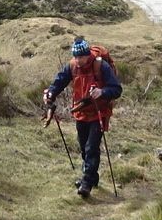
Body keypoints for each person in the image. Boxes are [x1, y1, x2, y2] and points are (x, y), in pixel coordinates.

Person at [43, 36, 122, 198]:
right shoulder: (72, 66)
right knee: (83, 147)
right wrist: (51, 93)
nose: (78, 60)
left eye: (81, 57)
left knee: (91, 147)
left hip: (99, 111)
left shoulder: (101, 66)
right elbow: (59, 81)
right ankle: (92, 177)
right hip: (81, 112)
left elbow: (116, 89)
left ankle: (86, 183)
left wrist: (102, 92)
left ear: (87, 55)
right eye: (75, 57)